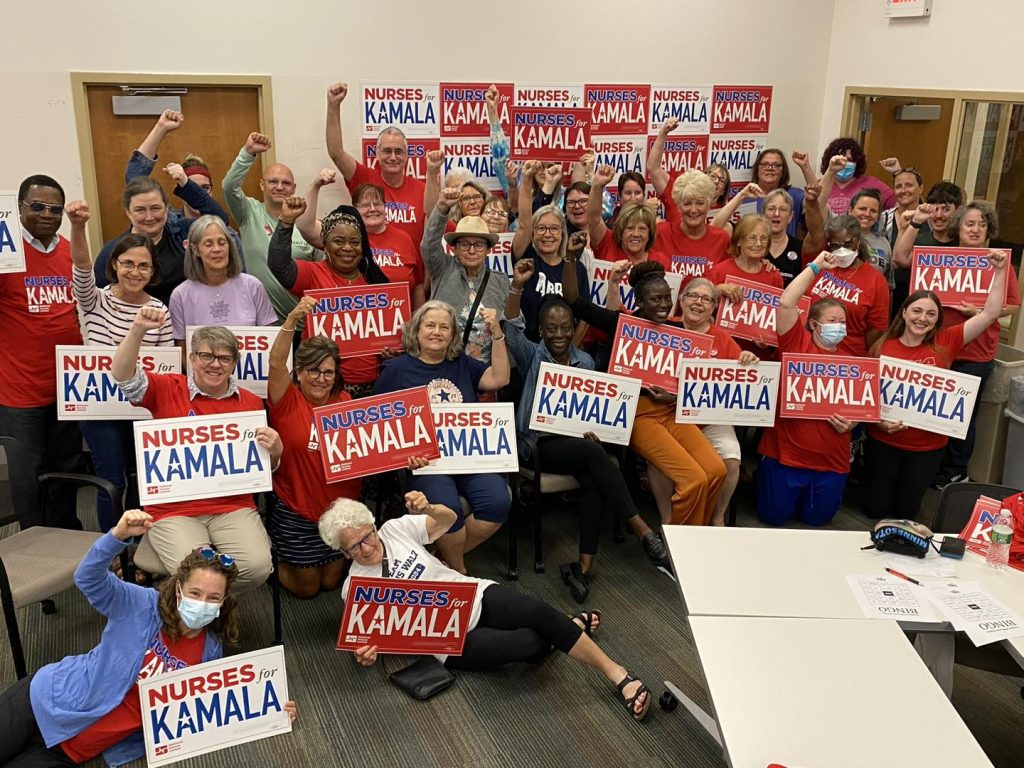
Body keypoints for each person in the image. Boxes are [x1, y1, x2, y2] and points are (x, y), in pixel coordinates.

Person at [0, 508, 297, 767]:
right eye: (195, 593)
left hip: (71, 752)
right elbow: (87, 579)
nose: (202, 602)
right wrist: (116, 536)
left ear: (223, 602)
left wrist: (270, 711)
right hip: (43, 700)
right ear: (178, 588)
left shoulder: (210, 653)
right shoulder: (140, 603)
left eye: (212, 597)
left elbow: (212, 715)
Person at [322, 493, 652, 721]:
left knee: (538, 612)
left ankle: (617, 674)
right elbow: (374, 638)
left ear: (373, 526)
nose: (366, 547)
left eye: (368, 536)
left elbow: (448, 520)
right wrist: (365, 654)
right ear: (345, 553)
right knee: (532, 643)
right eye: (355, 546)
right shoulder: (355, 588)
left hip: (472, 595)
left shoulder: (394, 530)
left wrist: (430, 507)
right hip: (449, 642)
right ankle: (566, 628)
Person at [504, 262, 668, 601]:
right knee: (595, 457)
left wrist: (594, 430)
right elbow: (511, 328)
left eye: (565, 327)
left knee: (594, 472)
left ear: (575, 326)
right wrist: (517, 288)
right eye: (551, 329)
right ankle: (640, 528)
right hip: (537, 446)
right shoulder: (532, 355)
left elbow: (592, 414)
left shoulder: (587, 363)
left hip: (576, 447)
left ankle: (584, 567)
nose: (560, 334)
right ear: (542, 330)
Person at [112, 309, 282, 592]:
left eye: (224, 358)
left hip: (232, 507)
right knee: (197, 575)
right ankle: (199, 617)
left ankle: (206, 607)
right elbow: (122, 376)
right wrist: (138, 329)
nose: (215, 364)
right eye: (206, 356)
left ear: (234, 364)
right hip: (173, 510)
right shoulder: (166, 388)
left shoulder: (250, 403)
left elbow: (261, 467)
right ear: (192, 359)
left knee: (257, 567)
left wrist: (275, 452)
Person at [564, 257, 727, 527]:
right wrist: (571, 256)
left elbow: (693, 384)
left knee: (716, 470)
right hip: (637, 417)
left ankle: (697, 534)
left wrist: (674, 397)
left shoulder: (679, 331)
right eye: (656, 300)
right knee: (693, 479)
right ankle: (679, 544)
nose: (664, 305)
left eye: (667, 298)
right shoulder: (621, 325)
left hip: (670, 411)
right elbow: (573, 299)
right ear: (639, 302)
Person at [864, 250, 1009, 519]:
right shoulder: (882, 347)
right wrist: (878, 422)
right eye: (917, 311)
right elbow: (866, 397)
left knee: (906, 512)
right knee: (874, 508)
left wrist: (1000, 271)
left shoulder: (946, 342)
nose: (923, 318)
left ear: (937, 319)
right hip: (883, 440)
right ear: (904, 312)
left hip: (926, 448)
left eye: (931, 313)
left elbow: (989, 313)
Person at [372, 300, 510, 574]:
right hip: (427, 465)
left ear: (452, 335)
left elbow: (499, 379)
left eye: (444, 327)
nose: (437, 332)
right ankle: (459, 573)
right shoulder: (397, 370)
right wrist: (402, 454)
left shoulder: (461, 364)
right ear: (416, 331)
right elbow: (379, 424)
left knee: (498, 502)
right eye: (430, 325)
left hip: (470, 458)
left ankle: (440, 561)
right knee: (447, 512)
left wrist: (497, 334)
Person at [68, 201, 173, 532]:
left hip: (140, 410)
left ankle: (138, 546)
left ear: (152, 272)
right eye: (127, 264)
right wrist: (78, 225)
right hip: (99, 410)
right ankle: (113, 549)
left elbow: (164, 370)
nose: (135, 272)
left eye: (143, 266)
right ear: (114, 265)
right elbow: (83, 266)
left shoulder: (159, 311)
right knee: (111, 478)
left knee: (141, 478)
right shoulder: (94, 300)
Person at [0, 176, 84, 530]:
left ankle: (66, 532)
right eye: (37, 207)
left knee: (67, 468)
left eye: (54, 208)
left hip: (69, 389)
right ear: (19, 207)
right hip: (20, 392)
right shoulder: (6, 255)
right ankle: (33, 541)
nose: (47, 215)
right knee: (27, 477)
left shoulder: (69, 250)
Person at [266, 297, 361, 598]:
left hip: (340, 509)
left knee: (332, 583)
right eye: (314, 371)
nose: (321, 379)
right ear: (300, 372)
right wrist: (291, 320)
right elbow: (275, 362)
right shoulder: (286, 399)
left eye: (328, 372)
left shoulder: (347, 403)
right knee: (307, 590)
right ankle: (274, 560)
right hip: (296, 507)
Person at [757, 250, 857, 527]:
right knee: (772, 519)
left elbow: (862, 406)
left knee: (818, 522)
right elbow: (787, 303)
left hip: (831, 463)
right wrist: (815, 267)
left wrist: (853, 422)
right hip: (785, 457)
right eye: (831, 321)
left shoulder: (853, 364)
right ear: (813, 324)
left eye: (842, 322)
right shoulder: (795, 344)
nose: (838, 326)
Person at [933, 203, 1021, 488]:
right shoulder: (939, 260)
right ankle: (932, 466)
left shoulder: (999, 263)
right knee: (934, 410)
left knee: (962, 415)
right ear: (958, 226)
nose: (975, 229)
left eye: (981, 224)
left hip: (977, 352)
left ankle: (957, 470)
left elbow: (1012, 305)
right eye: (969, 223)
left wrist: (983, 312)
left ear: (989, 230)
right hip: (941, 348)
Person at [269, 200, 389, 398]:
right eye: (339, 241)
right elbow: (278, 265)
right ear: (325, 244)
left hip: (373, 387)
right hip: (325, 388)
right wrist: (286, 222)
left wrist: (391, 350)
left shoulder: (375, 280)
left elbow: (388, 333)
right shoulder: (312, 273)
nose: (348, 248)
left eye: (355, 242)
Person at [671, 276, 759, 526]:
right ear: (681, 300)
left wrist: (747, 358)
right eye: (692, 296)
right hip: (670, 414)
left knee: (732, 458)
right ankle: (669, 519)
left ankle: (717, 515)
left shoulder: (721, 337)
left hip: (709, 418)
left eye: (706, 299)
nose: (698, 303)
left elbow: (741, 371)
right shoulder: (667, 327)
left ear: (714, 308)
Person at [222, 129, 320, 320]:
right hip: (260, 324)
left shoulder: (306, 226)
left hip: (303, 321)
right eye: (273, 181)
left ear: (294, 189)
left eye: (286, 183)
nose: (280, 187)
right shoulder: (248, 212)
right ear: (262, 185)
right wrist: (248, 152)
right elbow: (229, 187)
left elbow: (320, 275)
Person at [293, 172, 427, 310]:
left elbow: (418, 285)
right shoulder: (341, 234)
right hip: (357, 320)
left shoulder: (404, 238)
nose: (373, 209)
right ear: (355, 209)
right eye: (365, 205)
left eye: (378, 204)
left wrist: (417, 320)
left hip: (398, 323)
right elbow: (305, 226)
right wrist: (316, 185)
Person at [326, 82, 429, 250]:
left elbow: (442, 229)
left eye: (398, 151)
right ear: (377, 153)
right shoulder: (364, 178)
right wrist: (333, 105)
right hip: (368, 271)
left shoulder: (423, 191)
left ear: (407, 155)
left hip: (410, 271)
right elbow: (336, 152)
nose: (393, 157)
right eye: (387, 151)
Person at [421, 186, 511, 363]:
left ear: (487, 250)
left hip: (485, 371)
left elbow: (513, 327)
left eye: (478, 245)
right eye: (464, 244)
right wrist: (441, 208)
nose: (471, 250)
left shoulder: (500, 281)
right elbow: (429, 244)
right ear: (454, 247)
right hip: (444, 363)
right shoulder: (442, 268)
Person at [123, 109, 239, 241]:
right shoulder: (172, 225)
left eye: (204, 188)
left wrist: (186, 183)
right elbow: (134, 177)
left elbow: (219, 220)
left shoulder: (229, 235)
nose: (197, 192)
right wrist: (161, 128)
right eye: (192, 188)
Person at [510, 162, 591, 341]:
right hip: (528, 349)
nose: (548, 235)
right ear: (533, 233)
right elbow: (524, 223)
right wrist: (527, 179)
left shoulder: (576, 269)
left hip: (565, 352)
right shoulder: (526, 261)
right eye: (541, 229)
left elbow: (584, 319)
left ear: (563, 234)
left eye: (554, 229)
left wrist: (570, 357)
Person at [169, 215, 275, 342]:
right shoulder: (180, 295)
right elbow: (182, 351)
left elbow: (270, 340)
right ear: (195, 250)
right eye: (208, 244)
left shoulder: (253, 285)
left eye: (222, 243)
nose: (217, 249)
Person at [802, 212, 891, 356]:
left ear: (859, 241)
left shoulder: (876, 280)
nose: (842, 250)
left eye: (849, 243)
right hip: (808, 352)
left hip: (850, 358)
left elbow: (875, 331)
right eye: (836, 245)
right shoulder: (819, 265)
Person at [93, 177, 189, 305]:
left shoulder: (182, 238)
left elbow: (219, 218)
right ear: (128, 212)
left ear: (166, 208)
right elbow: (99, 301)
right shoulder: (111, 252)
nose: (149, 217)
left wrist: (185, 183)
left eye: (155, 208)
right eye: (140, 210)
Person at [707, 214, 783, 356]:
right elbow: (702, 308)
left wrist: (769, 338)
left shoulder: (773, 276)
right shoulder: (720, 271)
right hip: (722, 353)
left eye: (763, 238)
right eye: (752, 238)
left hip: (758, 356)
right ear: (739, 241)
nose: (758, 243)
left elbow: (776, 318)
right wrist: (717, 290)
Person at [657, 170, 730, 283]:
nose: (694, 210)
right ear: (678, 206)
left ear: (709, 205)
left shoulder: (722, 238)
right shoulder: (661, 232)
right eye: (687, 203)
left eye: (700, 203)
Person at [817, 138, 896, 215]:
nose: (845, 163)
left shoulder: (872, 184)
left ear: (857, 162)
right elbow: (812, 210)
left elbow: (900, 203)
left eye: (850, 160)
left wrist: (897, 172)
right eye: (840, 159)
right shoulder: (821, 184)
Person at [750, 148, 806, 238]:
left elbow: (818, 203)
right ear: (757, 169)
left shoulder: (794, 195)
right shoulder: (745, 198)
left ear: (783, 171)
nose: (770, 168)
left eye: (776, 165)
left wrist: (805, 167)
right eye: (765, 164)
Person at [763, 188, 805, 286]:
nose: (776, 214)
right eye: (771, 209)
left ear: (790, 216)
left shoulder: (801, 249)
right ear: (763, 214)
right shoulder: (752, 247)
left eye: (783, 209)